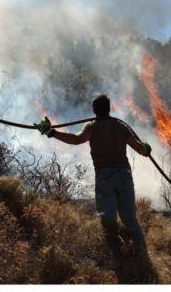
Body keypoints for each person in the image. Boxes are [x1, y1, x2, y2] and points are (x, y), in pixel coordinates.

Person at [35, 94, 152, 263]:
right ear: (109, 108)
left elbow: (76, 140)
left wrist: (51, 132)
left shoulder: (91, 127)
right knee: (130, 219)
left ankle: (117, 259)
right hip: (124, 176)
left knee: (108, 220)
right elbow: (141, 150)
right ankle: (143, 257)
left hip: (105, 177)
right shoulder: (121, 127)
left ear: (94, 110)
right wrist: (147, 148)